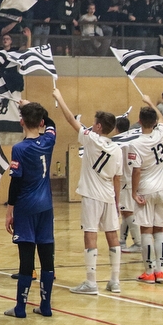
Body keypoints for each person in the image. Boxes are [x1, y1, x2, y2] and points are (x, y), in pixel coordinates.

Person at [51, 90, 122, 295]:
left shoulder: (91, 139)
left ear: (99, 126)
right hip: (109, 196)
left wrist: (60, 98)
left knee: (90, 235)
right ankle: (115, 281)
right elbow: (117, 178)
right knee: (112, 235)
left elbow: (72, 121)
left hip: (92, 196)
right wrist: (117, 201)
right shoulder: (116, 149)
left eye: (94, 122)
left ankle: (91, 282)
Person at [3, 100, 56, 318]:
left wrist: (10, 210)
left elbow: (15, 182)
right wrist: (36, 106)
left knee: (26, 257)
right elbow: (52, 123)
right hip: (46, 206)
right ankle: (45, 306)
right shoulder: (49, 139)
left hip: (26, 206)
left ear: (21, 122)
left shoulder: (19, 148)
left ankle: (20, 308)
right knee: (46, 256)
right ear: (41, 122)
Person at [129, 94, 163, 284]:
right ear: (154, 121)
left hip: (146, 189)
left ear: (139, 122)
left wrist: (133, 192)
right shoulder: (161, 132)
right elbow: (162, 118)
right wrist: (150, 102)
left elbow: (136, 171)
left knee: (146, 230)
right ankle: (160, 271)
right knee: (159, 229)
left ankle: (149, 271)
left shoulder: (135, 144)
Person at [114, 117, 142, 254]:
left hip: (127, 180)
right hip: (129, 180)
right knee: (125, 212)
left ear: (116, 128)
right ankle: (122, 241)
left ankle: (138, 242)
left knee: (128, 212)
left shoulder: (121, 143)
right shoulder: (131, 141)